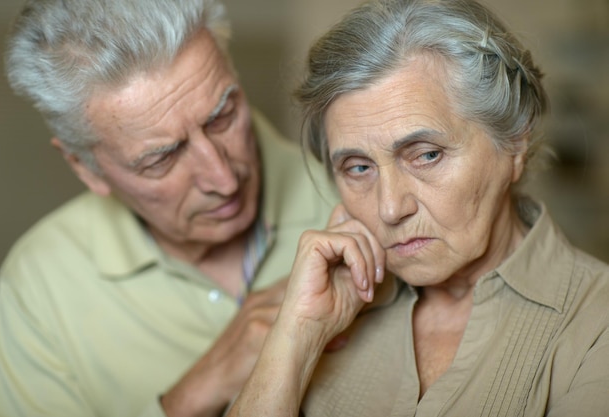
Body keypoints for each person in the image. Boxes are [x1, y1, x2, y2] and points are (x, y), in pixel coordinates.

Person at [226, 0, 609, 415]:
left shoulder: (594, 325)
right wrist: (297, 335)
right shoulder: (324, 305)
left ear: (514, 142)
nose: (390, 208)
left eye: (426, 155)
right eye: (358, 167)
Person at [0, 0, 336, 416]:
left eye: (222, 116)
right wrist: (192, 395)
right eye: (161, 159)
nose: (223, 179)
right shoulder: (41, 287)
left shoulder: (357, 199)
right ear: (87, 170)